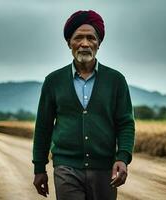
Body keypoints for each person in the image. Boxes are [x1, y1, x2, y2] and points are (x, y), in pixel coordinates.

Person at [32, 10, 135, 200]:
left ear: (99, 43)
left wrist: (122, 158)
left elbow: (125, 123)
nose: (85, 43)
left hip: (105, 169)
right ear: (69, 42)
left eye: (91, 38)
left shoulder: (116, 80)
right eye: (78, 37)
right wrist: (39, 168)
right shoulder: (53, 81)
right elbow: (43, 127)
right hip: (66, 167)